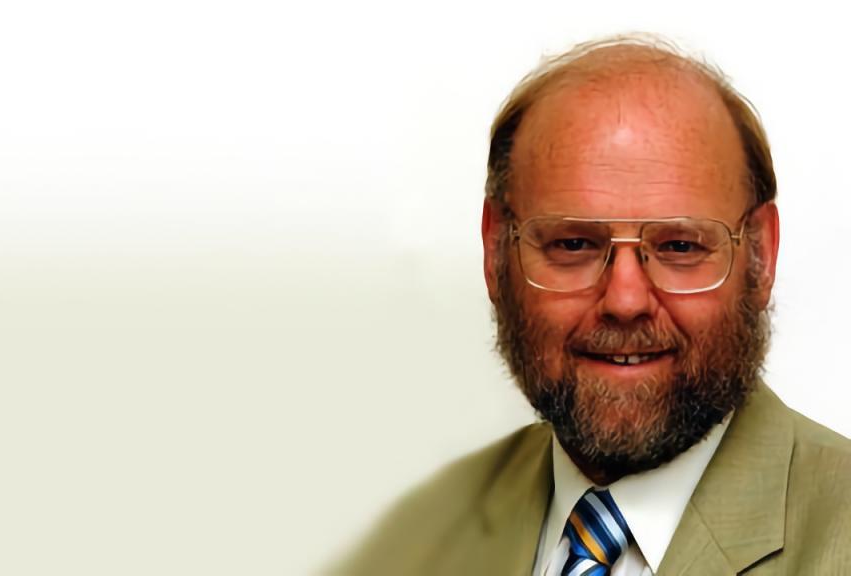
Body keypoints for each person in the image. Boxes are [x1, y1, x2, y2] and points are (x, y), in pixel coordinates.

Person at [332, 36, 851, 575]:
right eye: (573, 244)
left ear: (762, 257)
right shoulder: (410, 536)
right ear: (494, 251)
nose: (625, 300)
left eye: (679, 246)